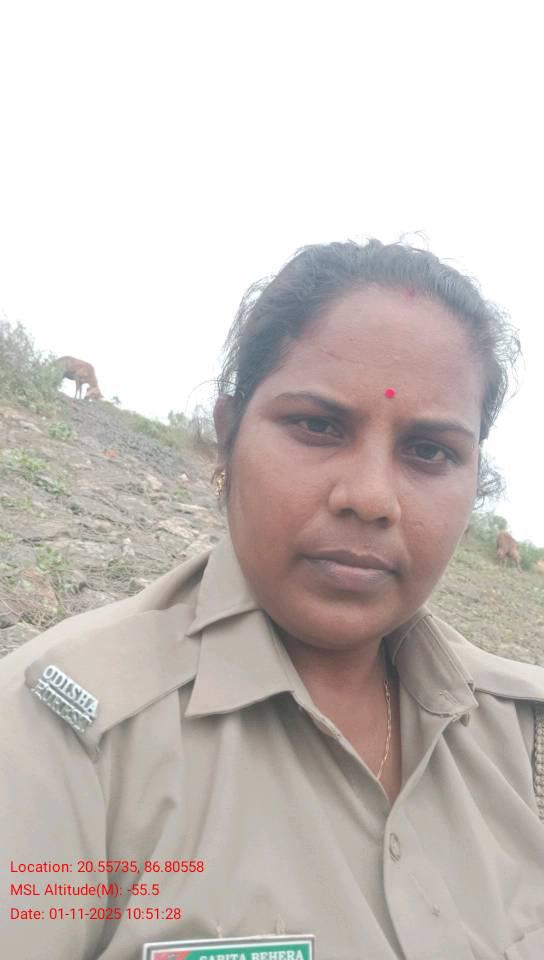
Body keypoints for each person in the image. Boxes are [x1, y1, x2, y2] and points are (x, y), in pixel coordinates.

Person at [1, 238, 544, 960]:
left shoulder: (525, 741)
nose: (370, 498)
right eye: (317, 426)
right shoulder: (64, 740)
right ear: (228, 438)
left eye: (430, 451)